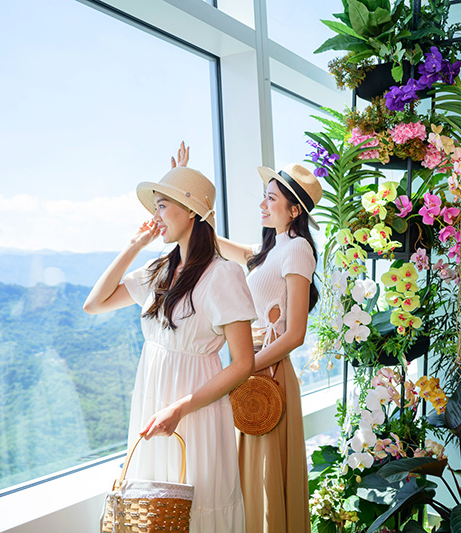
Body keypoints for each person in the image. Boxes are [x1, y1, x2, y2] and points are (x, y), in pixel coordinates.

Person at [83, 166, 257, 533]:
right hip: (152, 401)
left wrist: (180, 408)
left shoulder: (223, 274)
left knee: (199, 506)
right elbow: (94, 303)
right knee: (155, 508)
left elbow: (243, 363)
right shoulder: (159, 269)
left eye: (162, 206)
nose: (155, 217)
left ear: (192, 211)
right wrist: (135, 245)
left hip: (196, 407)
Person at [173, 144, 320, 533]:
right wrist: (184, 193)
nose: (262, 204)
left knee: (263, 479)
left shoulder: (298, 249)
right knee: (250, 475)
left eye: (271, 198)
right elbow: (216, 241)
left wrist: (243, 369)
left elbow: (295, 334)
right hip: (252, 369)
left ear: (294, 211)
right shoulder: (271, 250)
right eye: (264, 196)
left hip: (266, 373)